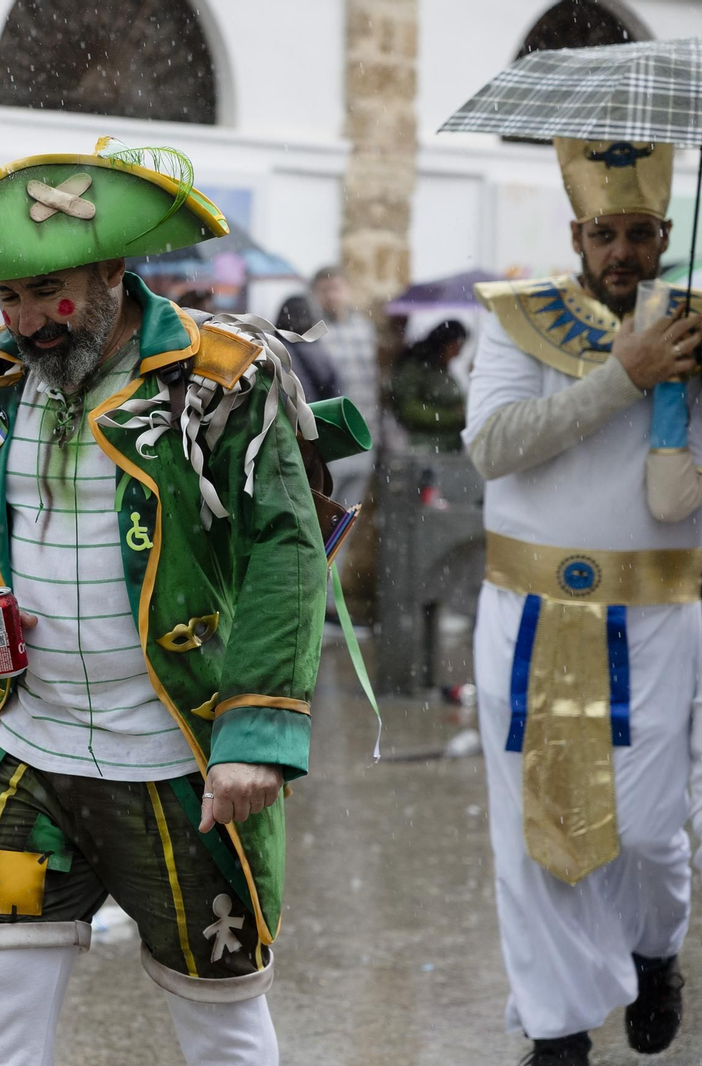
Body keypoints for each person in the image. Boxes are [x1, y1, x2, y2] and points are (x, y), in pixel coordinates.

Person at [0, 137, 361, 1066]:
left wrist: (257, 734)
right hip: (29, 755)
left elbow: (286, 553)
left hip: (178, 761)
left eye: (50, 292)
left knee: (222, 1022)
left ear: (115, 270)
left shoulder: (225, 378)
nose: (28, 320)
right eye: (9, 296)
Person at [464, 139, 700, 1066]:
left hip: (657, 618)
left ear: (664, 236)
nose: (621, 252)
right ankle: (557, 1035)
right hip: (528, 614)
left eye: (639, 234)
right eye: (605, 233)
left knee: (643, 830)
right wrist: (622, 376)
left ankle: (655, 951)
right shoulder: (518, 322)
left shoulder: (695, 328)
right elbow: (494, 446)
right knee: (537, 837)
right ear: (577, 234)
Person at [311, 265, 378, 506]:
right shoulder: (313, 332)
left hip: (365, 433)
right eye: (324, 290)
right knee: (325, 512)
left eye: (335, 288)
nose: (331, 295)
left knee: (349, 516)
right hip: (332, 439)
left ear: (347, 290)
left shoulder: (365, 329)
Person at [390, 319, 468, 453]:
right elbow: (408, 408)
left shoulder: (442, 370)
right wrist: (452, 416)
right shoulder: (415, 368)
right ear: (444, 344)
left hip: (450, 446)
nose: (458, 353)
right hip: (424, 446)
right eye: (456, 347)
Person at [273, 294, 340, 403]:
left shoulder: (272, 350)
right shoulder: (319, 353)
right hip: (313, 415)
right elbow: (334, 393)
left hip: (282, 417)